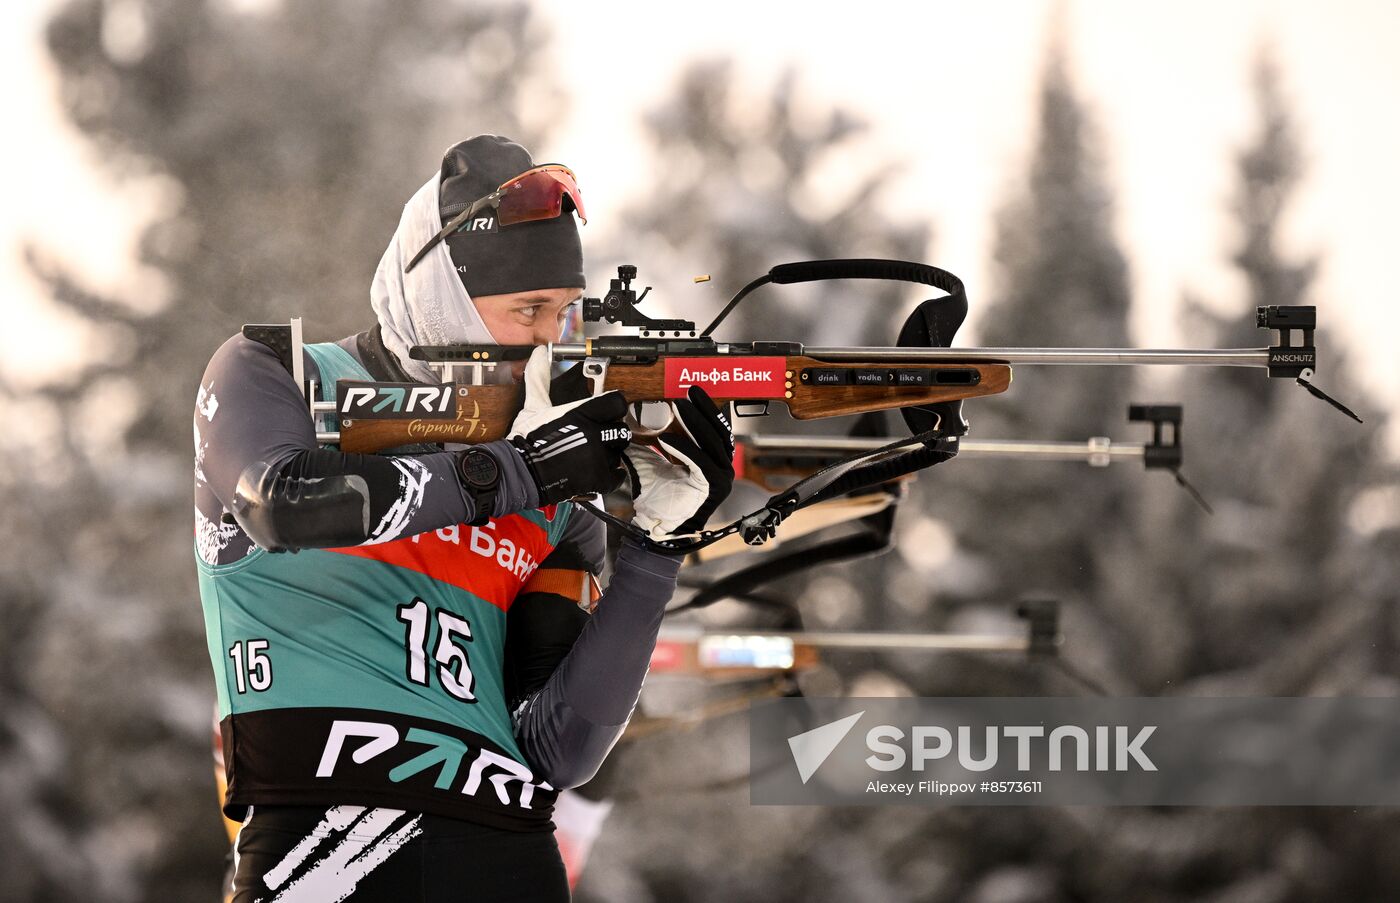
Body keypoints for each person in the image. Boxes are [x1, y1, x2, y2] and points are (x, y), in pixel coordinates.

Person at [193, 135, 734, 902]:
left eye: (565, 312)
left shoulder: (556, 504)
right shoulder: (279, 373)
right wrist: (529, 468)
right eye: (529, 310)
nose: (553, 338)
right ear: (441, 290)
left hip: (506, 859)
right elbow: (285, 501)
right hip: (319, 852)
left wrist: (655, 549)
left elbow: (559, 746)